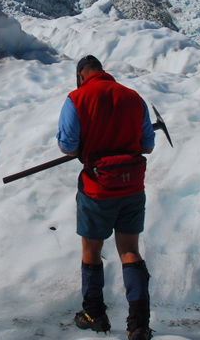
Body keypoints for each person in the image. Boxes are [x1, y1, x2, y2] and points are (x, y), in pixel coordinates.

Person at [57, 55, 156, 340]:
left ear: (81, 75)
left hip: (97, 188)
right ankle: (138, 325)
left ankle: (94, 314)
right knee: (129, 249)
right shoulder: (134, 98)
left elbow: (68, 146)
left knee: (92, 250)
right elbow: (147, 146)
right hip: (132, 186)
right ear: (103, 71)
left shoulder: (76, 99)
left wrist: (88, 143)